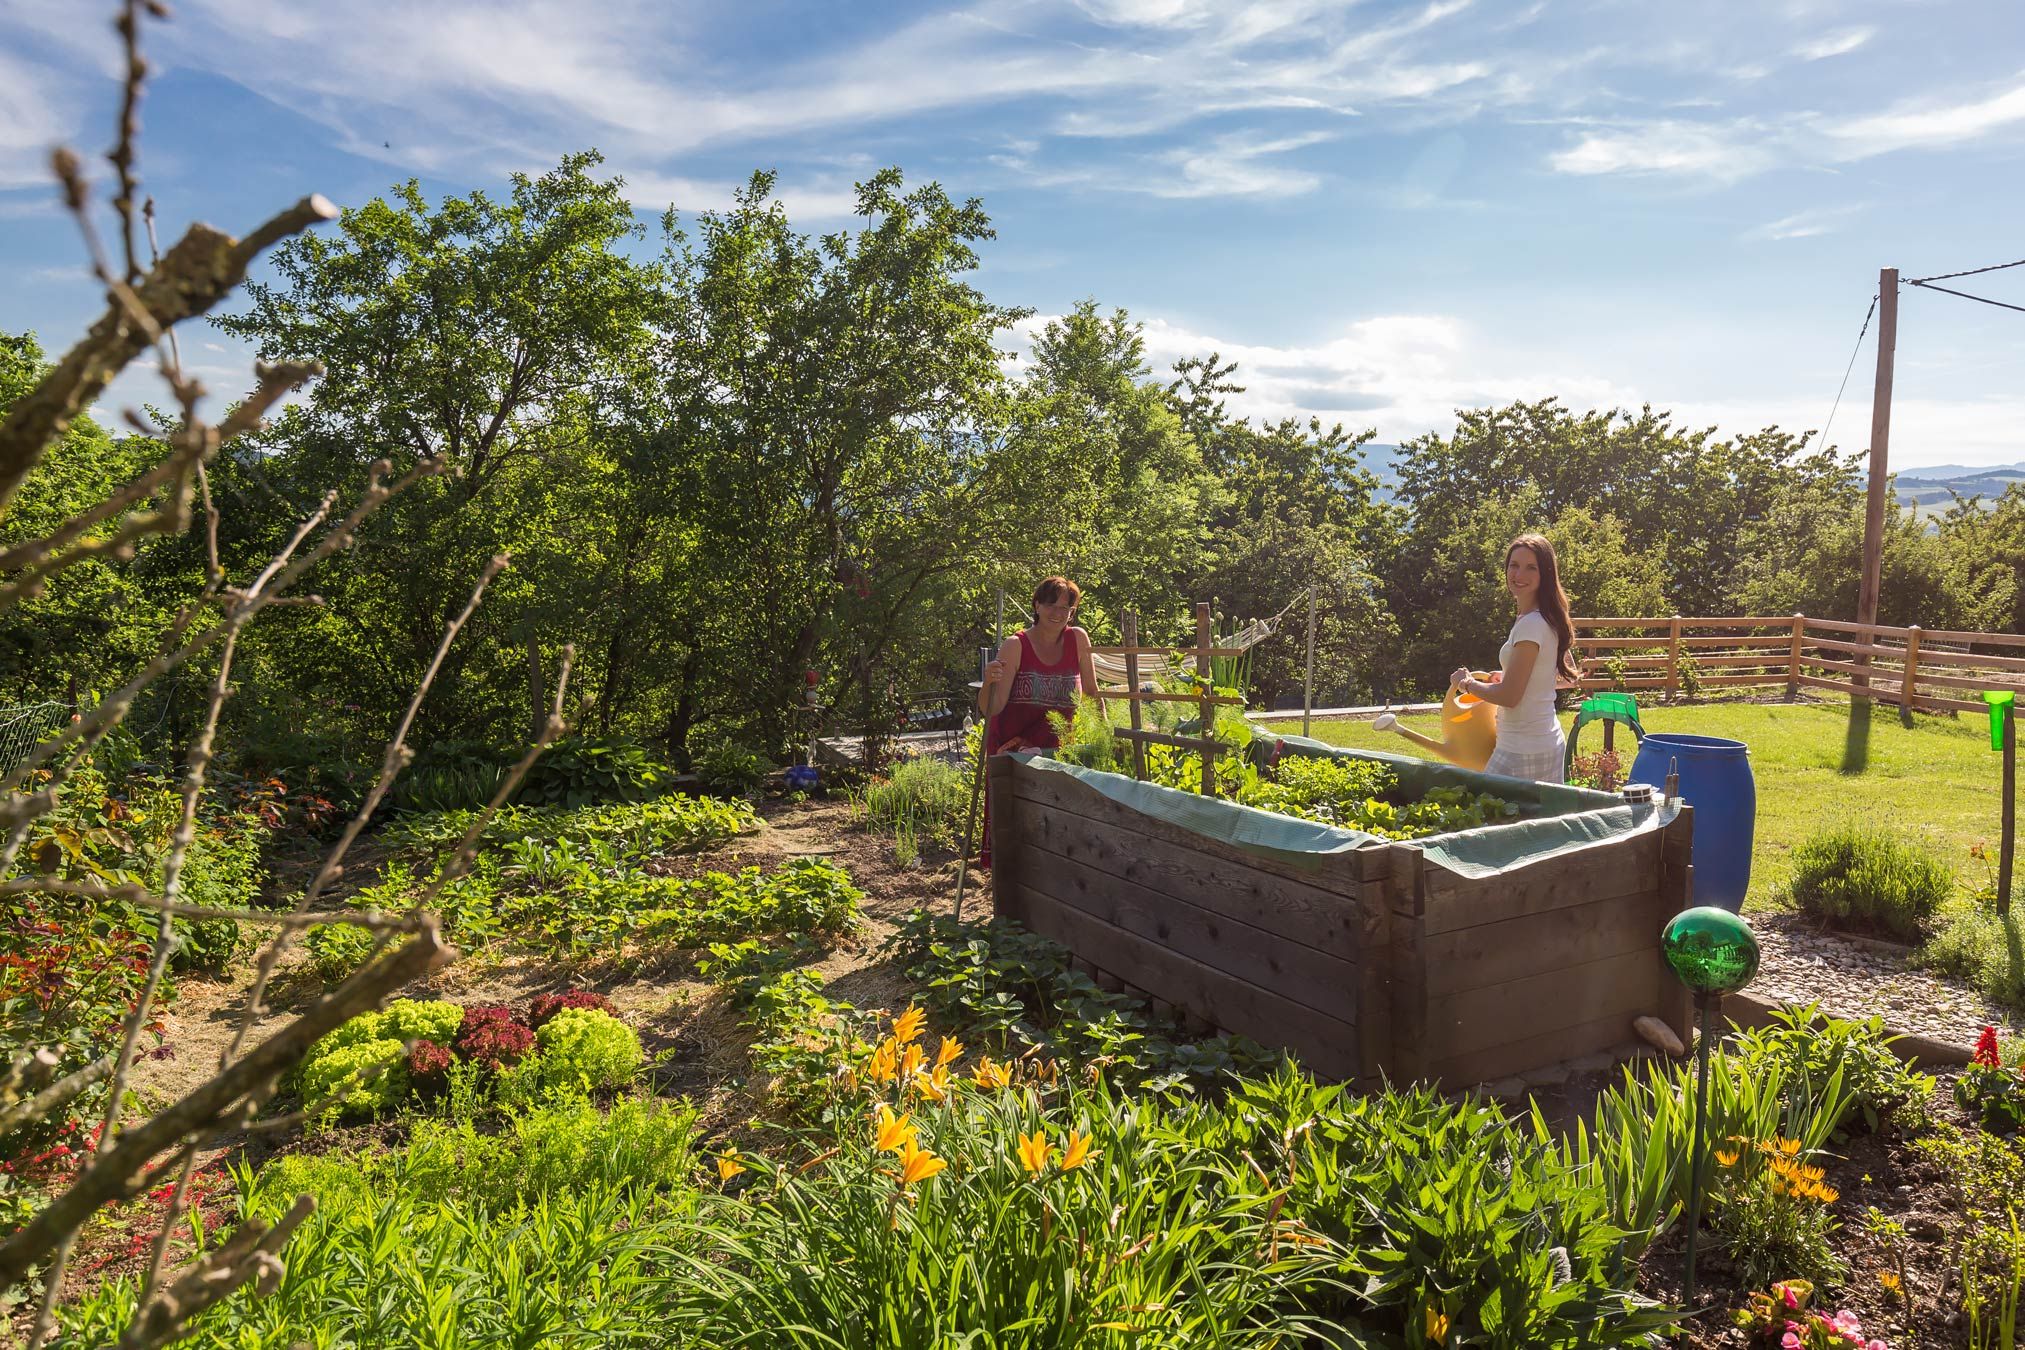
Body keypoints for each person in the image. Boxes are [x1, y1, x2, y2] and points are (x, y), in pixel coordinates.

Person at [1449, 534, 1580, 783]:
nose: (1519, 575)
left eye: (1531, 567)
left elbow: (1510, 697)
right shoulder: (1544, 618)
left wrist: (1466, 683)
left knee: (1483, 816)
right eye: (1514, 565)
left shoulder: (1532, 624)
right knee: (1538, 821)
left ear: (1546, 574)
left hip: (1522, 750)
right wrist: (1510, 677)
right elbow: (1566, 678)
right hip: (1542, 743)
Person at [978, 575, 1101, 754]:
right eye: (1050, 605)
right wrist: (988, 682)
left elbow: (1092, 693)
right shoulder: (1015, 645)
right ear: (1037, 606)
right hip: (1013, 753)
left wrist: (1105, 737)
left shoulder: (1078, 639)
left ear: (1071, 612)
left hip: (1056, 753)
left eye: (1064, 608)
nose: (1057, 614)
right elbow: (992, 708)